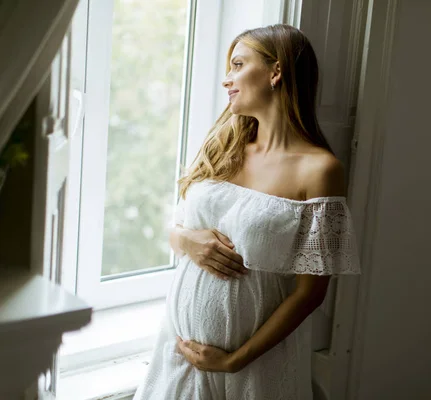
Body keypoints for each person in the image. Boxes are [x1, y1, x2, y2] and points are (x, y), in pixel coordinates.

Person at [133, 24, 361, 400]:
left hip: (254, 366)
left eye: (238, 65)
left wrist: (235, 360)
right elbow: (177, 223)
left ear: (276, 72)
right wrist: (186, 240)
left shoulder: (319, 171)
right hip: (178, 354)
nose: (227, 80)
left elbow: (310, 293)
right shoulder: (223, 144)